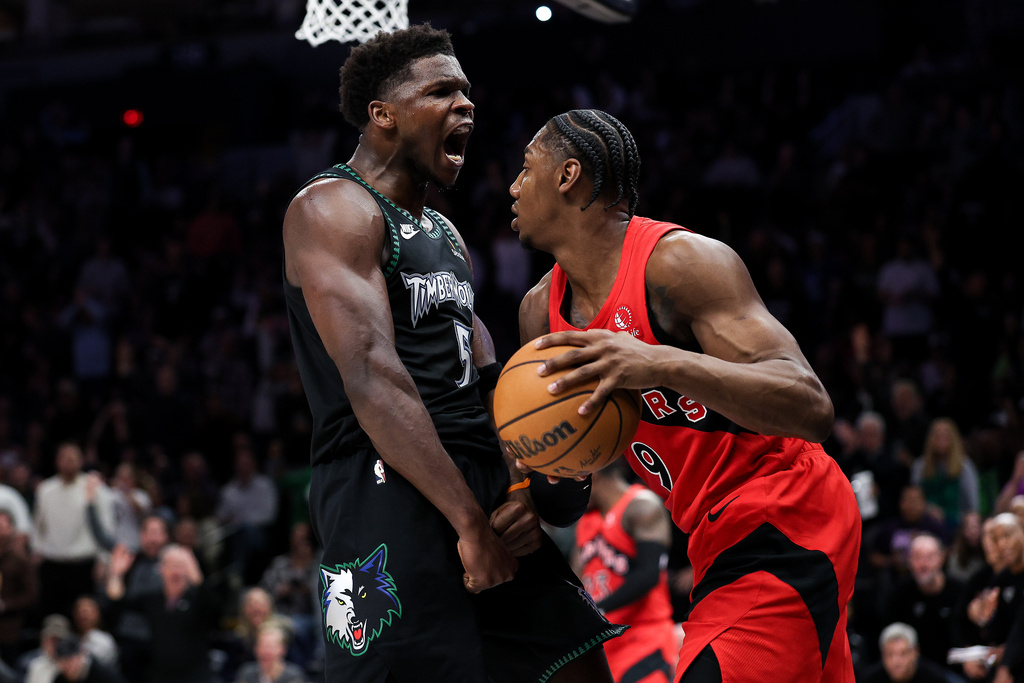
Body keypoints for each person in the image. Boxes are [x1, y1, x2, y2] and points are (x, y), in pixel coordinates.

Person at [280, 24, 621, 683]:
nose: (466, 105)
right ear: (382, 114)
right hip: (383, 480)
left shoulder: (445, 233)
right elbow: (373, 378)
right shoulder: (332, 207)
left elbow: (491, 378)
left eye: (467, 91)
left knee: (576, 663)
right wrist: (469, 521)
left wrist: (522, 483)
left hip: (475, 473)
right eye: (441, 91)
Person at [510, 108, 861, 681]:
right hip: (708, 534)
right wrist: (550, 468)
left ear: (567, 175)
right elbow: (566, 501)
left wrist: (660, 362)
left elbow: (811, 406)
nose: (513, 186)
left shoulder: (681, 264)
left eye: (526, 169)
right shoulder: (538, 314)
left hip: (786, 506)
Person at [574, 459, 678, 683]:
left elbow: (649, 575)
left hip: (644, 642)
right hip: (604, 649)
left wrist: (597, 610)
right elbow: (575, 582)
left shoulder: (641, 505)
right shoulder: (586, 521)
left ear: (591, 476)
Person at [104, 544, 222, 683]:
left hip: (196, 677)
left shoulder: (198, 598)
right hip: (162, 677)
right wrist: (116, 575)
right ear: (161, 569)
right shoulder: (153, 600)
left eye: (180, 566)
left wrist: (197, 578)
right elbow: (117, 603)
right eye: (171, 565)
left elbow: (216, 614)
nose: (175, 572)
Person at [32, 442, 115, 619]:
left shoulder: (93, 487)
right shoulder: (46, 489)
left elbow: (106, 526)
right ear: (57, 461)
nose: (68, 463)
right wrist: (36, 548)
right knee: (52, 616)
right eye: (64, 458)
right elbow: (38, 525)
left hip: (83, 563)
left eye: (73, 458)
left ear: (81, 461)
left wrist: (103, 558)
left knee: (82, 616)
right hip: (52, 561)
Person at [883, 533, 963, 671]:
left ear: (941, 558)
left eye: (930, 557)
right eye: (918, 557)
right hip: (913, 672)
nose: (923, 564)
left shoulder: (960, 591)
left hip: (953, 669)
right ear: (909, 561)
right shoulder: (899, 595)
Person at [859, 623, 957, 683]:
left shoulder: (935, 678)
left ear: (915, 652)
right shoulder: (870, 679)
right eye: (890, 654)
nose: (896, 661)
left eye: (903, 653)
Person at [232, 623, 308, 683]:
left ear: (283, 649)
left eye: (271, 646)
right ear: (255, 649)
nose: (266, 651)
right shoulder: (247, 672)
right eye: (262, 646)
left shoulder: (293, 674)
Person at [52, 635, 126, 683]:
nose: (66, 666)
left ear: (82, 654)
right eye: (62, 661)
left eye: (70, 660)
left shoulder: (105, 675)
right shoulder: (60, 679)